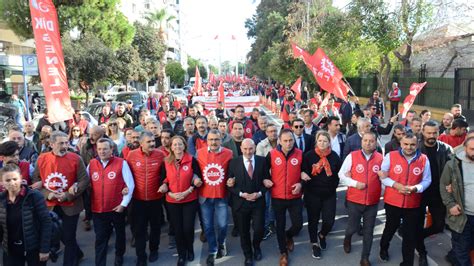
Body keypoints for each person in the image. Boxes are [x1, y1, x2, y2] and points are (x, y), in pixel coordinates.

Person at [32, 131, 90, 266]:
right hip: (49, 205)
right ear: (51, 144)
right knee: (60, 236)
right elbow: (36, 180)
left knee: (69, 237)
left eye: (66, 142)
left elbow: (84, 180)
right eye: (60, 143)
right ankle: (78, 253)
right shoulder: (42, 158)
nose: (65, 146)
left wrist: (68, 195)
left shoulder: (76, 158)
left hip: (71, 205)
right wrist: (48, 194)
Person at [378, 133, 431, 265]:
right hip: (393, 201)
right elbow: (382, 176)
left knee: (409, 236)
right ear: (401, 144)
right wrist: (396, 185)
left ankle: (407, 263)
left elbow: (427, 179)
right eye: (406, 144)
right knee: (390, 228)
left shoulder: (424, 159)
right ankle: (383, 248)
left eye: (412, 144)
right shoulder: (390, 156)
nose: (409, 147)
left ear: (417, 144)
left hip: (413, 203)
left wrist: (416, 188)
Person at [87, 138, 135, 266]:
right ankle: (100, 262)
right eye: (100, 149)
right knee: (100, 238)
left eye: (105, 149)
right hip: (98, 209)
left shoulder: (121, 163)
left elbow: (130, 185)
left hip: (116, 208)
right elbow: (84, 181)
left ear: (111, 149)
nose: (102, 152)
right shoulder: (91, 164)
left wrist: (123, 204)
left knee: (120, 235)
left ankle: (119, 255)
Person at [339, 132, 383, 266]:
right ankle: (347, 238)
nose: (368, 143)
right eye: (365, 140)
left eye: (371, 141)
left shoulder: (381, 158)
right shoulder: (352, 156)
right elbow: (341, 175)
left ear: (375, 143)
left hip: (372, 202)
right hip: (354, 200)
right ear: (361, 141)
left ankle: (365, 258)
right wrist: (354, 183)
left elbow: (386, 178)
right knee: (352, 227)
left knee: (368, 231)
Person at [159, 136, 202, 266]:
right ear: (171, 147)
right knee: (177, 229)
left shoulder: (192, 160)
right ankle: (181, 255)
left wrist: (187, 191)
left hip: (189, 199)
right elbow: (163, 179)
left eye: (180, 144)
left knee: (188, 228)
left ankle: (190, 250)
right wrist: (169, 192)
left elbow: (198, 178)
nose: (177, 147)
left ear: (184, 146)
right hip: (172, 201)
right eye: (175, 145)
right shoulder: (166, 161)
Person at [414, 121, 453, 265]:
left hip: (438, 194)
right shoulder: (415, 147)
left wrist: (451, 185)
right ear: (423, 132)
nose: (431, 136)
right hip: (419, 193)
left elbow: (453, 170)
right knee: (418, 223)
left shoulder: (446, 149)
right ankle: (422, 252)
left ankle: (416, 237)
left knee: (438, 225)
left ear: (439, 133)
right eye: (428, 133)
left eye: (434, 133)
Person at [263, 129, 304, 265]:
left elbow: (306, 172)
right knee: (279, 225)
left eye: (290, 140)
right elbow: (263, 172)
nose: (288, 143)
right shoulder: (272, 154)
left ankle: (289, 235)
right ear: (279, 141)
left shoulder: (300, 154)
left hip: (295, 196)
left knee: (298, 224)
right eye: (285, 140)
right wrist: (266, 180)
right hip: (277, 196)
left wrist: (301, 184)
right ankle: (283, 253)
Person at [227, 139, 270, 266]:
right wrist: (242, 194)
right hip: (241, 203)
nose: (248, 151)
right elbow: (229, 185)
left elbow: (267, 181)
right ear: (241, 149)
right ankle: (248, 254)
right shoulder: (233, 163)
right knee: (243, 231)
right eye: (245, 149)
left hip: (258, 202)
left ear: (255, 148)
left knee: (259, 229)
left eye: (250, 148)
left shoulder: (262, 161)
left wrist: (260, 193)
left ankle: (256, 247)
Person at [126, 131, 165, 265]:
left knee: (155, 228)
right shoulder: (131, 155)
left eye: (153, 141)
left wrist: (164, 184)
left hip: (155, 199)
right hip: (138, 200)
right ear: (141, 143)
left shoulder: (161, 155)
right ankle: (141, 256)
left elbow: (166, 174)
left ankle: (154, 250)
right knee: (139, 230)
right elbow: (126, 174)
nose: (152, 143)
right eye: (148, 141)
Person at [301, 130, 342, 259]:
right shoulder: (309, 156)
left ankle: (322, 235)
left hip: (329, 194)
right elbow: (302, 170)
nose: (322, 143)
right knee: (313, 220)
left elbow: (339, 174)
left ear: (329, 142)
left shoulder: (334, 156)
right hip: (312, 193)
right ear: (316, 142)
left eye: (325, 141)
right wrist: (302, 174)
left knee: (329, 221)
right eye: (320, 141)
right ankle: (314, 243)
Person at [0, 164, 52, 266]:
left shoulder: (34, 196)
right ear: (2, 182)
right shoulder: (1, 200)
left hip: (33, 248)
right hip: (11, 250)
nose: (12, 183)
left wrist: (44, 249)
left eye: (15, 179)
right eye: (7, 180)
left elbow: (46, 222)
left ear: (21, 178)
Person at [196, 130, 233, 266]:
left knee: (223, 225)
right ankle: (212, 250)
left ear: (221, 140)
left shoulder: (229, 153)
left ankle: (222, 242)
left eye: (216, 139)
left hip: (221, 195)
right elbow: (194, 170)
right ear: (207, 141)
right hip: (205, 196)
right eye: (211, 139)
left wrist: (231, 179)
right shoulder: (199, 153)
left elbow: (232, 171)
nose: (213, 142)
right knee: (208, 226)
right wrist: (195, 179)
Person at [440, 137, 474, 266]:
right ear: (465, 148)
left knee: (468, 245)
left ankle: (452, 257)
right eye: (472, 149)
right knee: (462, 249)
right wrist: (450, 204)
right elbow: (444, 185)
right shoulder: (453, 165)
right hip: (462, 216)